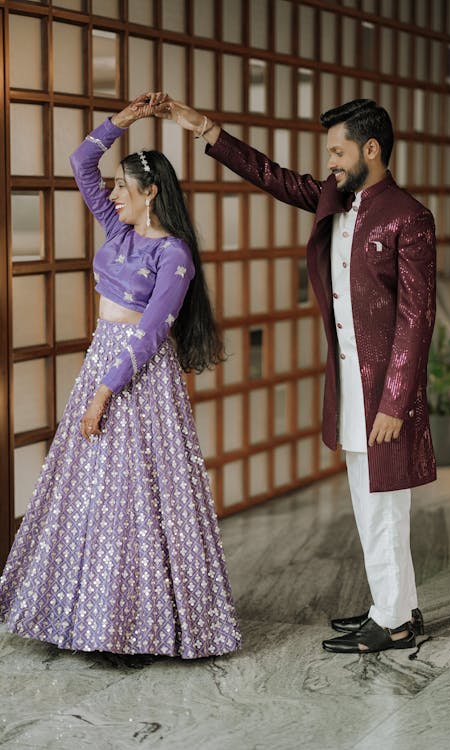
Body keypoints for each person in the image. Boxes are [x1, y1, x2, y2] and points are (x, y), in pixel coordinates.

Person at [159, 97, 436, 654]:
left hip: (383, 390)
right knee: (370, 499)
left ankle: (394, 622)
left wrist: (394, 402)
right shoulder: (336, 199)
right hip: (350, 382)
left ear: (371, 149)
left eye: (338, 150)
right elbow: (274, 178)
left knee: (383, 504)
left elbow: (416, 319)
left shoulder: (409, 216)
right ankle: (397, 605)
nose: (330, 161)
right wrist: (208, 130)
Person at [0, 93, 241, 661]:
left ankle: (139, 625)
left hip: (138, 376)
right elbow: (80, 163)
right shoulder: (117, 231)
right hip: (100, 361)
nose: (111, 195)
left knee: (138, 501)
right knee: (89, 496)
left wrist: (105, 390)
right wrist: (123, 122)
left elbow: (155, 330)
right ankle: (83, 615)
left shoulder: (172, 253)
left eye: (123, 188)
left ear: (150, 193)